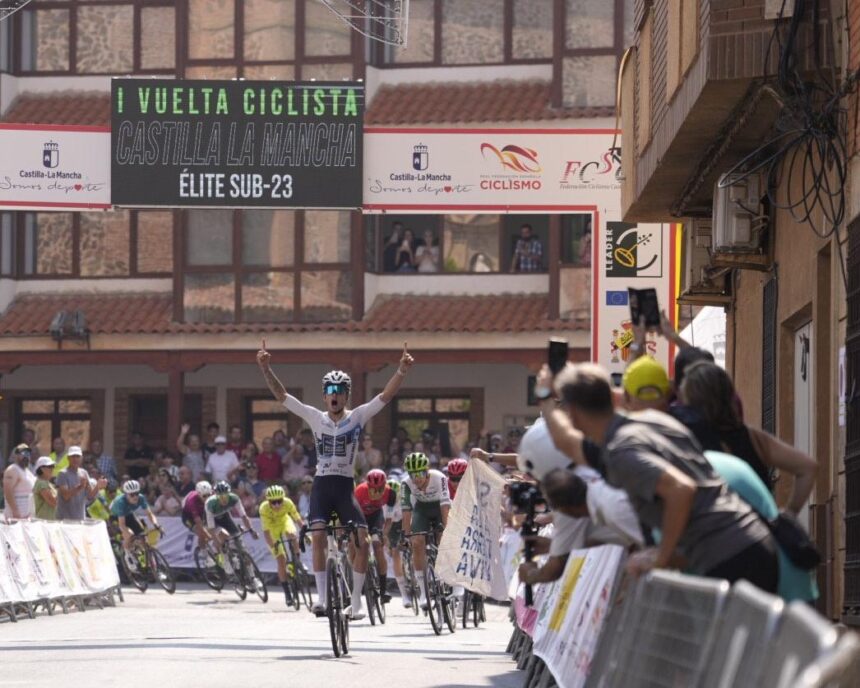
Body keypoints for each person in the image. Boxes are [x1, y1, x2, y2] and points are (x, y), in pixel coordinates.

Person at [548, 363, 779, 592]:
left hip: (728, 556)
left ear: (574, 415)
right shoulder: (653, 419)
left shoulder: (621, 451)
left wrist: (661, 557)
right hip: (750, 540)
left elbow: (681, 489)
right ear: (613, 395)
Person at [257, 338, 415, 621]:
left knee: (363, 541)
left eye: (340, 391)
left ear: (346, 396)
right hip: (321, 485)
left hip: (344, 486)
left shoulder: (357, 416)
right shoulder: (315, 417)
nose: (335, 395)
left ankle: (355, 602)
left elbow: (385, 397)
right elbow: (282, 397)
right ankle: (321, 598)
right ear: (324, 395)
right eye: (330, 390)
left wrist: (401, 370)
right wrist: (266, 368)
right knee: (318, 535)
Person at [679, 361, 816, 504]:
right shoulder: (753, 438)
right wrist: (789, 515)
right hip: (759, 523)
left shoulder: (688, 441)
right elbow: (807, 467)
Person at [704, 450, 818, 603]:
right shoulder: (735, 460)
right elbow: (808, 466)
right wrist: (787, 518)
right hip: (795, 573)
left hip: (759, 584)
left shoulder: (694, 476)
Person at [400, 452, 451, 610]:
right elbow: (406, 512)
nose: (417, 478)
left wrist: (446, 528)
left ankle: (447, 577)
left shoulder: (439, 478)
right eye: (413, 474)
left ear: (427, 471)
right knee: (417, 541)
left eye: (420, 473)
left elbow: (445, 506)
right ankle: (423, 591)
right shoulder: (406, 484)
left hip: (439, 508)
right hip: (421, 510)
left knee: (443, 537)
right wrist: (406, 535)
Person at [354, 469, 396, 603]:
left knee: (378, 546)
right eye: (373, 489)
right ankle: (357, 581)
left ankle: (383, 589)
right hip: (359, 517)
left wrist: (384, 534)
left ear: (385, 486)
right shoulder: (359, 492)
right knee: (355, 546)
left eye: (380, 489)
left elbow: (388, 520)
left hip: (376, 517)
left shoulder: (390, 494)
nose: (377, 493)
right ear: (368, 486)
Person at [259, 484, 305, 606]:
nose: (277, 505)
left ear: (283, 499)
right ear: (268, 501)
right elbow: (267, 533)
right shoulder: (263, 508)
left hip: (285, 521)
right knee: (281, 559)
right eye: (273, 502)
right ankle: (287, 594)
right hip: (272, 528)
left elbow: (297, 518)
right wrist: (273, 546)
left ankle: (297, 560)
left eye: (279, 501)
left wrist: (305, 531)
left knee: (291, 534)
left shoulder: (288, 502)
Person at [110, 479, 160, 568]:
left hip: (129, 514)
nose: (135, 497)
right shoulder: (121, 502)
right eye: (132, 494)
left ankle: (152, 565)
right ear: (126, 495)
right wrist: (128, 534)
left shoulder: (141, 498)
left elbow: (149, 514)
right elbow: (122, 524)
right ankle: (127, 554)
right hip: (116, 516)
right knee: (130, 535)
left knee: (142, 537)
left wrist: (156, 524)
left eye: (136, 493)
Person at [205, 480, 257, 553]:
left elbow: (244, 516)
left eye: (225, 495)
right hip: (213, 520)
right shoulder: (211, 504)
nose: (223, 499)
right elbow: (211, 527)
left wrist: (251, 530)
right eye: (221, 496)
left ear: (229, 494)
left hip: (224, 516)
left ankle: (242, 558)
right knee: (224, 535)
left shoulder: (234, 498)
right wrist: (215, 540)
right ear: (216, 496)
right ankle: (219, 555)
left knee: (237, 536)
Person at [57, 446, 106, 520]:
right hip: (65, 520)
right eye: (73, 456)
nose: (75, 459)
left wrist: (98, 486)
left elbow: (90, 496)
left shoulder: (84, 472)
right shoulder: (63, 474)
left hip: (80, 519)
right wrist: (80, 486)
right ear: (68, 458)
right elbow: (66, 496)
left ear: (81, 458)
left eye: (77, 456)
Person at [383, 478, 411, 607]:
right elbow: (385, 526)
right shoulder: (384, 503)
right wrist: (387, 542)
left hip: (405, 522)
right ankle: (404, 595)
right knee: (395, 553)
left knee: (414, 543)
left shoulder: (406, 498)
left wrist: (408, 536)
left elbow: (411, 516)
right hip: (391, 527)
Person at [3, 443, 35, 520]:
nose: (26, 456)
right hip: (15, 516)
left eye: (28, 453)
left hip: (27, 515)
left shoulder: (28, 472)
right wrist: (15, 511)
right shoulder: (12, 470)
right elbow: (8, 492)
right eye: (23, 453)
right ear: (16, 455)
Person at [181, 480, 213, 547]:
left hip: (202, 512)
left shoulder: (212, 495)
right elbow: (198, 522)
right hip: (188, 517)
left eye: (209, 495)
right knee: (201, 532)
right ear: (198, 494)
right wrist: (208, 535)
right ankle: (202, 551)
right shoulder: (191, 501)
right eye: (204, 496)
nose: (207, 498)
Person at [32, 456, 58, 520]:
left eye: (53, 466)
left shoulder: (49, 484)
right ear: (41, 469)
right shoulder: (41, 483)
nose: (52, 469)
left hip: (50, 523)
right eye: (49, 467)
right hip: (44, 524)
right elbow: (53, 502)